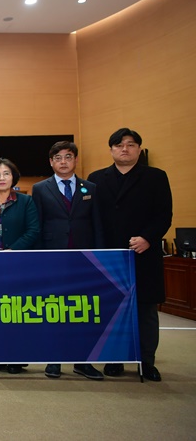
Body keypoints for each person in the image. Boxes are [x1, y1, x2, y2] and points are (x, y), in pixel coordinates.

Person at [87, 128, 172, 382]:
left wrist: (147, 238)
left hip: (144, 253)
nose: (125, 149)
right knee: (112, 309)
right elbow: (93, 218)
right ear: (111, 149)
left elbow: (164, 215)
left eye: (131, 144)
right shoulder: (96, 178)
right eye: (119, 145)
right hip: (109, 258)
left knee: (146, 310)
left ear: (138, 149)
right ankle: (114, 359)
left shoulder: (156, 177)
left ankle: (147, 362)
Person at [32, 141, 105, 380]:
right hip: (53, 259)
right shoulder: (40, 188)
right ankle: (54, 360)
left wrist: (99, 257)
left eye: (68, 157)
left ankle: (83, 361)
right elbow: (38, 225)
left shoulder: (90, 188)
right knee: (55, 310)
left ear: (75, 160)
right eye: (58, 158)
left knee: (84, 311)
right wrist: (40, 259)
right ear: (51, 162)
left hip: (84, 260)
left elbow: (97, 224)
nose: (63, 162)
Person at [0, 157, 40, 375]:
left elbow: (33, 231)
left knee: (17, 311)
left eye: (6, 173)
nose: (1, 178)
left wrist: (12, 250)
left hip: (18, 264)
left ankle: (17, 356)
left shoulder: (26, 202)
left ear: (13, 177)